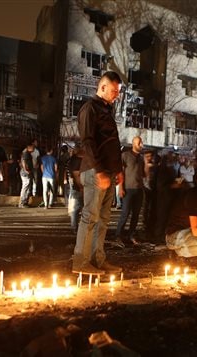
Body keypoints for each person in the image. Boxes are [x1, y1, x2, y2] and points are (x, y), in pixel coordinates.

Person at [72, 71, 123, 275]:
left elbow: (111, 143)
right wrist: (100, 170)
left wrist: (118, 171)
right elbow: (88, 141)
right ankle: (80, 261)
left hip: (108, 173)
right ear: (102, 88)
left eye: (118, 92)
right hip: (96, 172)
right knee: (90, 217)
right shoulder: (90, 109)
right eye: (113, 91)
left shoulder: (106, 110)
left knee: (103, 219)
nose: (116, 95)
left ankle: (97, 259)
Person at [115, 136, 145, 245]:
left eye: (141, 142)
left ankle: (131, 234)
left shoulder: (141, 158)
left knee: (136, 214)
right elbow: (120, 172)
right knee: (125, 213)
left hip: (139, 189)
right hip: (128, 188)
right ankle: (118, 235)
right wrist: (120, 187)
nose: (141, 145)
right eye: (138, 143)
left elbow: (143, 174)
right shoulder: (125, 156)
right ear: (133, 144)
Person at [67, 146, 84, 233]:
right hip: (78, 187)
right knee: (77, 208)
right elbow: (76, 175)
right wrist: (81, 187)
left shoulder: (72, 160)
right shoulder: (77, 161)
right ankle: (75, 227)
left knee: (76, 208)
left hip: (76, 186)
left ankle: (75, 227)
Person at [19, 142, 35, 208]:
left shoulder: (27, 153)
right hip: (25, 173)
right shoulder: (25, 153)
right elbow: (23, 162)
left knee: (27, 187)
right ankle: (22, 203)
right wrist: (26, 170)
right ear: (29, 147)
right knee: (25, 187)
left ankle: (25, 202)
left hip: (27, 172)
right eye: (33, 147)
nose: (34, 149)